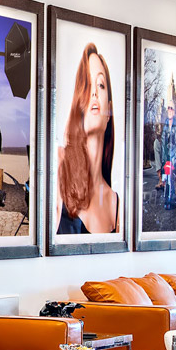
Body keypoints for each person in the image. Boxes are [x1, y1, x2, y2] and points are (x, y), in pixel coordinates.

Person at [54, 42, 120, 235]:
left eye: (100, 85)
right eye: (87, 85)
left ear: (109, 112)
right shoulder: (59, 164)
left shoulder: (116, 204)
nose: (94, 92)